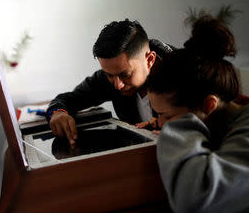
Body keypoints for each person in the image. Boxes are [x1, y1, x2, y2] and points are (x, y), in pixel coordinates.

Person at [144, 15, 249, 213]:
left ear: (208, 105)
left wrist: (177, 131)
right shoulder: (221, 124)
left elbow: (194, 199)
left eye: (167, 116)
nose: (160, 124)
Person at [46, 19, 175, 146]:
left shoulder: (188, 75)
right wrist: (58, 113)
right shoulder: (113, 75)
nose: (117, 85)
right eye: (109, 75)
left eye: (125, 74)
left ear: (150, 60)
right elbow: (69, 99)